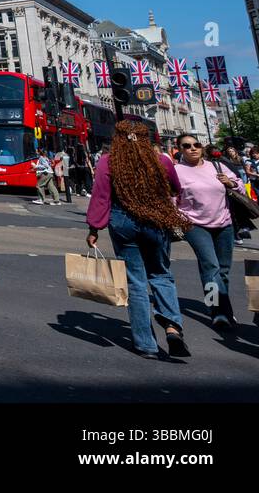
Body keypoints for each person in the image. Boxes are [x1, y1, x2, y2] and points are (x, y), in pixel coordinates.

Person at [86, 120, 191, 358]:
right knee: (161, 274)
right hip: (155, 221)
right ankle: (172, 326)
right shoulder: (161, 160)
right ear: (147, 138)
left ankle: (145, 344)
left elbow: (101, 197)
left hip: (123, 221)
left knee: (135, 283)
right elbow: (175, 188)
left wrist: (94, 228)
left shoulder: (108, 162)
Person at [173, 135, 241, 332]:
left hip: (224, 223)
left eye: (196, 145)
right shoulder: (177, 171)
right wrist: (179, 219)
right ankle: (218, 311)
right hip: (195, 225)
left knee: (224, 270)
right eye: (187, 146)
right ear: (180, 149)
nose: (193, 148)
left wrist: (230, 182)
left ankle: (222, 305)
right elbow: (170, 198)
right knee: (210, 267)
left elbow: (238, 184)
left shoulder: (216, 167)